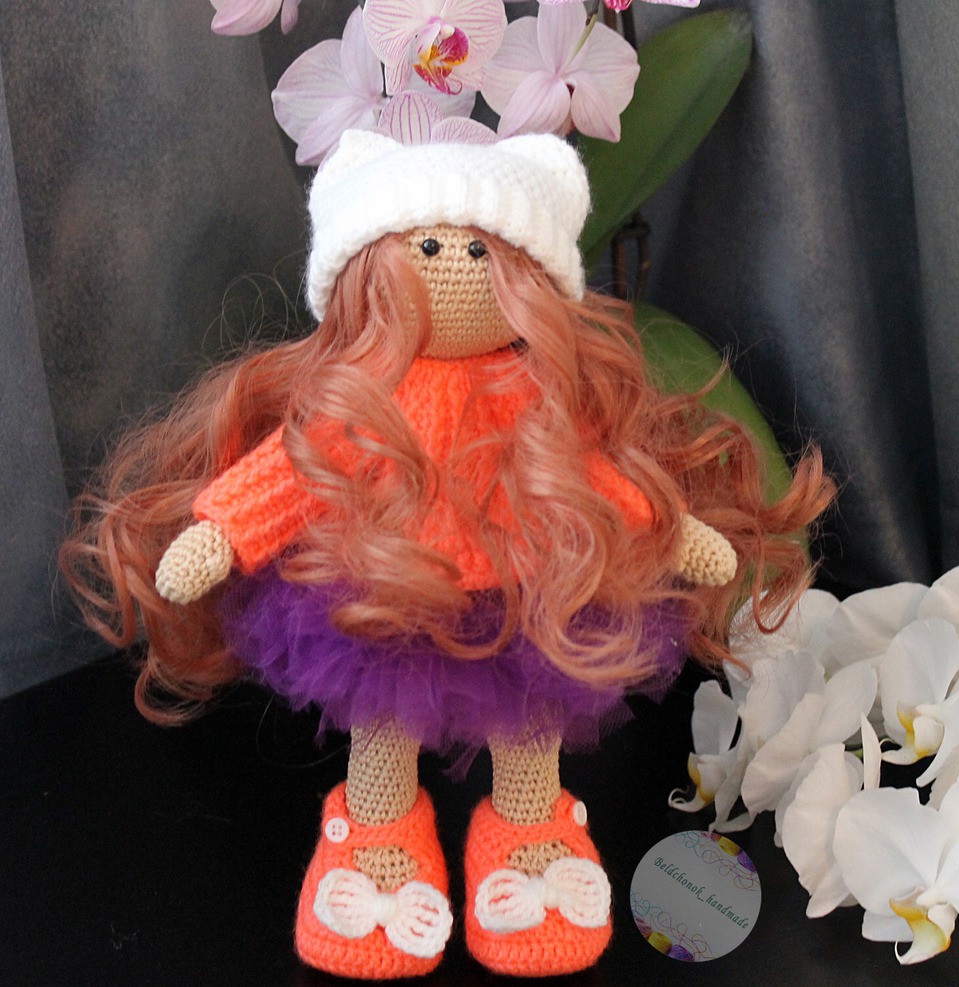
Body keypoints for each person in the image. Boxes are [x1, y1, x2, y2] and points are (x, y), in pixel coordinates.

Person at [61, 130, 833, 978]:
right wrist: (220, 532)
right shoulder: (361, 398)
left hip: (524, 602)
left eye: (481, 249)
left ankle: (529, 834)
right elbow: (291, 471)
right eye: (427, 248)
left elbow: (599, 477)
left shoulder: (536, 395)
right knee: (382, 725)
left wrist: (673, 530)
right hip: (385, 602)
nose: (456, 264)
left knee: (530, 728)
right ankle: (376, 838)